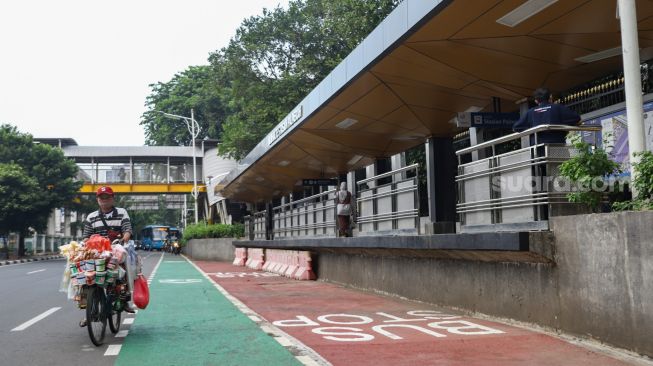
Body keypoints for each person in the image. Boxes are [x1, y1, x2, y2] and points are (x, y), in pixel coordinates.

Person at [80, 186, 136, 325]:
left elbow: (127, 229)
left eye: (107, 197)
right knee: (84, 275)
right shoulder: (91, 217)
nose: (104, 200)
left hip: (116, 250)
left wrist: (125, 238)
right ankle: (89, 311)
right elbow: (86, 237)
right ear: (97, 200)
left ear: (113, 198)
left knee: (124, 270)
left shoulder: (122, 213)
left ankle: (125, 300)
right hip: (97, 253)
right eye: (101, 198)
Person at [512, 87, 581, 145]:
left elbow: (516, 127)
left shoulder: (530, 112)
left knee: (541, 161)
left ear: (536, 101)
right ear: (550, 97)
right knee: (559, 161)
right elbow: (576, 118)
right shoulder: (557, 108)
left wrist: (530, 128)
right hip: (557, 145)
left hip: (538, 148)